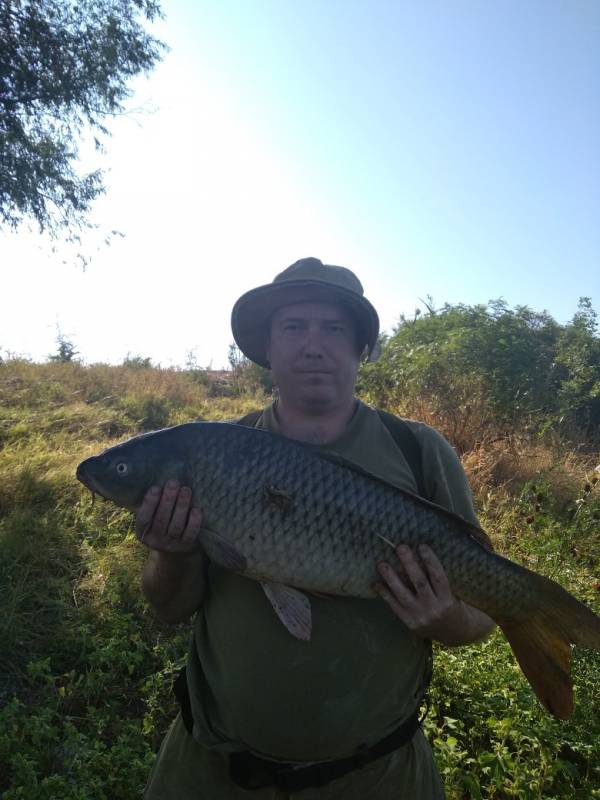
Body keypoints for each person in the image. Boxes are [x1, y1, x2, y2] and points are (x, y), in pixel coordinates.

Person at [140, 257, 495, 799]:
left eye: (334, 328)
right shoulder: (216, 452)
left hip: (377, 778)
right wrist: (173, 553)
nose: (313, 345)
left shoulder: (418, 452)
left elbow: (485, 614)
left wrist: (444, 619)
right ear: (267, 348)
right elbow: (168, 609)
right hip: (212, 772)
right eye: (293, 327)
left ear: (360, 348)